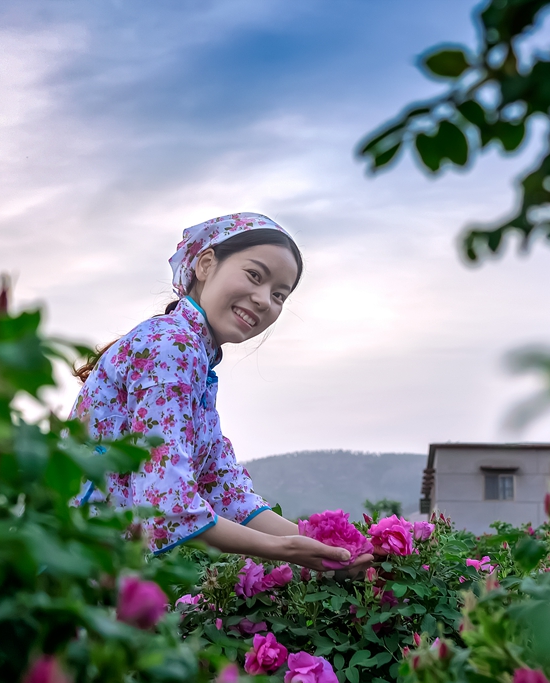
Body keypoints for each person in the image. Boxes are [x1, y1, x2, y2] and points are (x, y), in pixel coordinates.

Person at [71, 213, 371, 572]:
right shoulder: (172, 345)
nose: (264, 300)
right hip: (65, 565)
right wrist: (286, 551)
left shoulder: (195, 359)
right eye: (254, 276)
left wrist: (330, 549)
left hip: (92, 568)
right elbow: (168, 504)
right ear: (206, 264)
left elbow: (224, 489)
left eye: (279, 295)